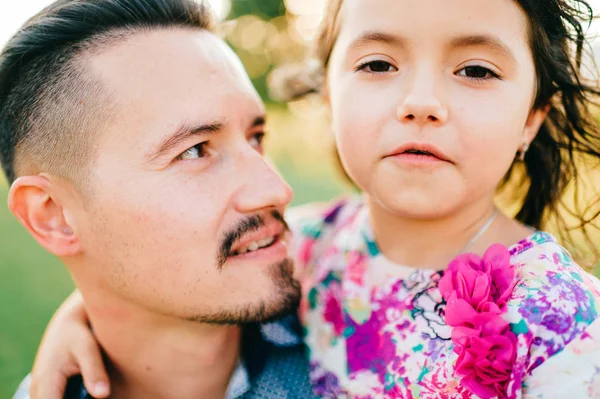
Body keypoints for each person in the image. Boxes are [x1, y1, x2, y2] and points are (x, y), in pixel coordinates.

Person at [19, 0, 600, 398]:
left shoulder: (569, 322)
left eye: (475, 69)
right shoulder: (314, 244)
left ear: (531, 119)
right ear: (329, 95)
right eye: (378, 64)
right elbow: (148, 277)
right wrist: (78, 319)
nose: (421, 102)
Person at [0, 0, 316, 398]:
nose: (275, 190)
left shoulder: (365, 333)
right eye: (196, 150)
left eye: (256, 138)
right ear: (55, 216)